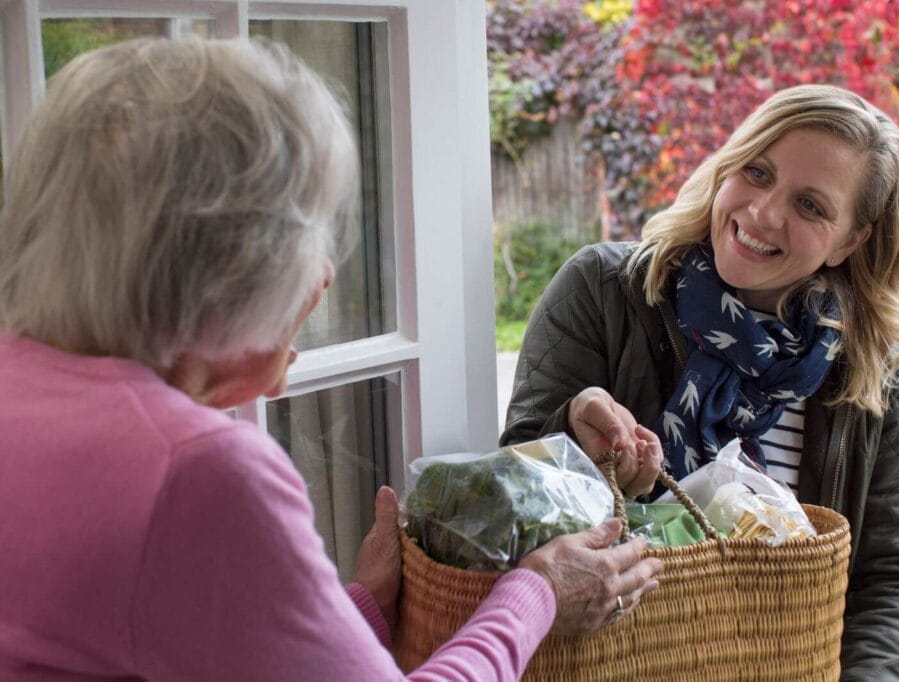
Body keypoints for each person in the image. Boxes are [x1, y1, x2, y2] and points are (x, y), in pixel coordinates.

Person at [0, 38, 664, 681]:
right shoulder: (198, 473)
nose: (324, 277)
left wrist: (358, 608)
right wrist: (538, 593)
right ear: (234, 264)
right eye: (313, 230)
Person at [502, 84, 899, 681]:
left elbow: (890, 574)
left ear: (851, 240)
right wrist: (569, 435)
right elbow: (511, 501)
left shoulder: (877, 363)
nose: (762, 213)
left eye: (811, 206)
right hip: (613, 664)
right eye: (757, 172)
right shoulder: (604, 291)